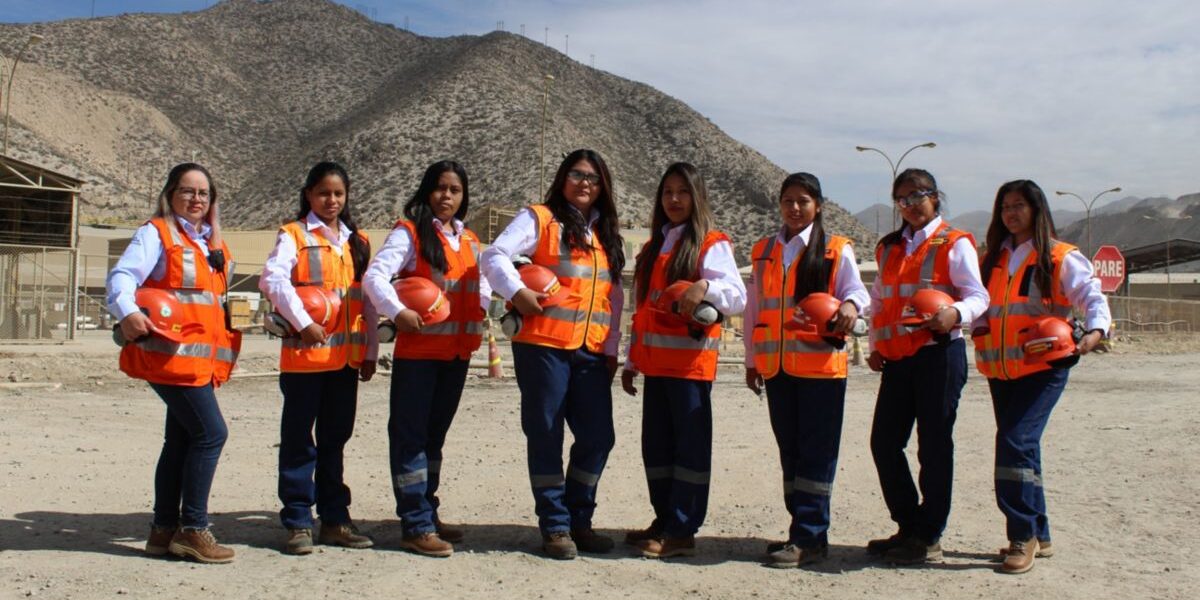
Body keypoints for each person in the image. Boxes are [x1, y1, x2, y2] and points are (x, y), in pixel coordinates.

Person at [481, 148, 625, 560]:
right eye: (577, 174)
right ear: (563, 178)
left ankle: (580, 516)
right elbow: (494, 255)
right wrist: (516, 292)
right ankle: (556, 525)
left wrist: (611, 349)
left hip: (591, 352)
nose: (585, 183)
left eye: (593, 178)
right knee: (546, 433)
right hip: (543, 345)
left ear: (603, 187)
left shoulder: (606, 235)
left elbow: (611, 301)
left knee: (599, 437)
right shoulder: (540, 219)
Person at [972, 179, 1110, 574]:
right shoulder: (993, 258)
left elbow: (1091, 295)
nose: (1011, 213)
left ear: (1037, 209)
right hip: (1001, 369)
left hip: (1044, 368)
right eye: (1005, 207)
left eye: (1019, 205)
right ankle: (1042, 533)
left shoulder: (1060, 256)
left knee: (1014, 443)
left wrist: (1096, 330)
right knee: (1024, 448)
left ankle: (1022, 534)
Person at [106, 163, 241, 563]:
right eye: (188, 191)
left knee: (181, 439)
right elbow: (122, 277)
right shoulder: (157, 233)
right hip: (171, 358)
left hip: (197, 361)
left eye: (204, 193)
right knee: (211, 434)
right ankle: (194, 530)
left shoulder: (209, 244)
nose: (196, 200)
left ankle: (163, 530)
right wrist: (127, 312)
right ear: (171, 194)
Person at [364, 160, 492, 558]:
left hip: (455, 356)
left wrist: (484, 303)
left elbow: (480, 279)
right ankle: (414, 523)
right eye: (440, 188)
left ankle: (427, 510)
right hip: (418, 357)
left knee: (433, 439)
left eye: (455, 190)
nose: (447, 196)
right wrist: (396, 311)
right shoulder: (409, 234)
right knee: (411, 438)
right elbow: (374, 278)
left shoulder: (469, 240)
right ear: (426, 191)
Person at [742, 172, 870, 568]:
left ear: (818, 206)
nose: (795, 209)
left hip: (820, 370)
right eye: (788, 201)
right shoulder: (763, 250)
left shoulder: (834, 249)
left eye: (803, 201)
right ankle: (804, 529)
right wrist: (750, 359)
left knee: (816, 453)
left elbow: (858, 292)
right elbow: (753, 307)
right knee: (791, 452)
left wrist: (850, 306)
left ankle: (810, 537)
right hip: (777, 368)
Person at [620, 162, 746, 558]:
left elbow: (736, 294)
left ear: (697, 196)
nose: (674, 199)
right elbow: (643, 308)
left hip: (689, 368)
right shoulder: (654, 246)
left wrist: (704, 285)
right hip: (655, 366)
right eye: (667, 192)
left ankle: (682, 528)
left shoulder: (710, 243)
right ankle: (664, 518)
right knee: (656, 449)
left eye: (683, 192)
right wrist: (630, 360)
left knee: (688, 450)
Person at [865, 168, 989, 564]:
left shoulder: (954, 243)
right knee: (884, 443)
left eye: (919, 195)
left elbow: (978, 295)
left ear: (935, 196)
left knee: (934, 446)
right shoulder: (888, 247)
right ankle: (908, 524)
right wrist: (874, 343)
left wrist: (956, 312)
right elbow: (881, 300)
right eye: (902, 198)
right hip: (898, 357)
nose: (911, 204)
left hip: (939, 355)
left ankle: (929, 534)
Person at [259, 161, 377, 555]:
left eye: (338, 194)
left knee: (334, 441)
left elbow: (367, 301)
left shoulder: (357, 241)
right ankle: (296, 520)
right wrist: (303, 320)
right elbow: (273, 279)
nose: (332, 200)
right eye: (324, 193)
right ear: (309, 194)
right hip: (305, 360)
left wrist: (371, 351)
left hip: (345, 361)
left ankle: (334, 519)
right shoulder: (293, 235)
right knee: (298, 440)